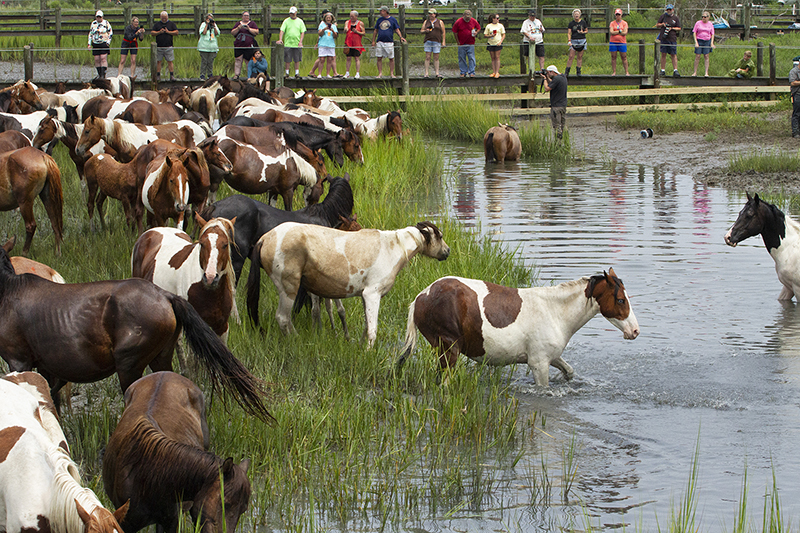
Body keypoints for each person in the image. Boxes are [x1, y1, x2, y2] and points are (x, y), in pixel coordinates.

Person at [371, 6, 406, 78]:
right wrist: (373, 41)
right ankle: (380, 73)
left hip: (389, 41)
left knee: (391, 58)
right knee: (379, 57)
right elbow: (375, 30)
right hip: (380, 41)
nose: (380, 12)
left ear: (385, 11)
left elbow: (397, 29)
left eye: (381, 11)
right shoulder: (379, 20)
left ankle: (392, 73)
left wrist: (401, 37)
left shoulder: (393, 20)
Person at [278, 6, 306, 79]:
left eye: (293, 13)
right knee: (287, 59)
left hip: (296, 44)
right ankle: (287, 73)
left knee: (297, 59)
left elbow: (302, 32)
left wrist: (300, 42)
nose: (292, 14)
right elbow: (282, 30)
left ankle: (297, 73)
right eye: (291, 13)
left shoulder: (300, 21)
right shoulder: (286, 21)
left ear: (296, 13)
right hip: (288, 43)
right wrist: (280, 39)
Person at [452, 9, 480, 77]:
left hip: (471, 42)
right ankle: (463, 72)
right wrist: (457, 41)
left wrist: (476, 32)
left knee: (471, 57)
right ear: (463, 16)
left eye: (469, 17)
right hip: (461, 42)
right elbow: (455, 31)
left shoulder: (473, 21)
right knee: (461, 57)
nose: (467, 19)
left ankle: (472, 72)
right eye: (466, 17)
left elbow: (478, 27)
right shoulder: (458, 22)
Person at [151, 11, 178, 81]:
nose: (164, 19)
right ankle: (158, 75)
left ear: (167, 17)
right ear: (160, 17)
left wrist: (168, 32)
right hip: (159, 46)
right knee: (158, 61)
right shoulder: (157, 24)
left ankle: (172, 75)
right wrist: (159, 32)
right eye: (162, 18)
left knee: (170, 61)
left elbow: (176, 32)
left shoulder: (171, 24)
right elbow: (152, 33)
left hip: (169, 46)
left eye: (165, 18)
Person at [232, 12, 259, 80]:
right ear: (242, 16)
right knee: (238, 60)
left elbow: (257, 32)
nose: (246, 17)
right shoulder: (238, 23)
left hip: (249, 46)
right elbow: (232, 32)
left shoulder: (252, 23)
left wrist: (249, 29)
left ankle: (249, 75)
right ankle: (237, 74)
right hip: (239, 45)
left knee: (248, 61)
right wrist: (238, 28)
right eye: (245, 15)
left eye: (247, 16)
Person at [542, 64, 567, 139]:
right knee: (562, 125)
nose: (548, 74)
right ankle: (563, 142)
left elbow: (547, 88)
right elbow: (553, 84)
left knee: (556, 126)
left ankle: (557, 143)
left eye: (548, 73)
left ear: (552, 72)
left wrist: (544, 79)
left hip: (556, 106)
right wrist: (547, 77)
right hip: (563, 105)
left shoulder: (556, 79)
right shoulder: (563, 77)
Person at [657, 4, 681, 77]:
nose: (669, 11)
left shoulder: (675, 18)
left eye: (670, 9)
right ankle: (662, 70)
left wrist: (672, 28)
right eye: (667, 10)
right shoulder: (663, 16)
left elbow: (679, 28)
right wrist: (662, 25)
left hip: (672, 38)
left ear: (673, 10)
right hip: (664, 38)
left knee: (673, 54)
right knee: (663, 54)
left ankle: (675, 70)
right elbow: (657, 24)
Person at [88, 10, 113, 79]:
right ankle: (99, 74)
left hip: (104, 43)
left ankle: (103, 74)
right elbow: (90, 34)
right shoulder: (93, 23)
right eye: (97, 17)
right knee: (97, 59)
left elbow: (110, 32)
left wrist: (108, 42)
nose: (98, 18)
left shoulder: (106, 23)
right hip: (95, 43)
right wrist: (89, 44)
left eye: (100, 17)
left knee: (103, 58)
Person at [421, 9, 445, 78]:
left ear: (435, 14)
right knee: (427, 57)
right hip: (428, 41)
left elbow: (443, 32)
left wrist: (443, 42)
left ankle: (437, 72)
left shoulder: (440, 22)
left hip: (437, 41)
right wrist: (426, 31)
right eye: (429, 14)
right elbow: (421, 30)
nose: (430, 15)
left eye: (432, 14)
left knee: (436, 57)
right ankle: (426, 73)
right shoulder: (426, 22)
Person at [520, 10, 545, 74]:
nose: (532, 17)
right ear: (529, 15)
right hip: (529, 42)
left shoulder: (538, 21)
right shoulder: (526, 22)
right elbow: (523, 31)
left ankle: (542, 69)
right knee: (530, 56)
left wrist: (541, 30)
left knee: (541, 56)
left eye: (533, 16)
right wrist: (529, 36)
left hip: (539, 41)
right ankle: (531, 69)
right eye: (531, 16)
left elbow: (543, 29)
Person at [317, 11, 340, 78]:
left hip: (331, 44)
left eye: (329, 17)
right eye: (327, 17)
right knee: (322, 59)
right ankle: (319, 74)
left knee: (330, 59)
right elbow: (319, 34)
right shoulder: (321, 25)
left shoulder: (333, 26)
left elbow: (335, 36)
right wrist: (324, 29)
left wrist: (332, 30)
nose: (328, 19)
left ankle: (328, 74)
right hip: (323, 44)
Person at [565, 9, 588, 77]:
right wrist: (569, 41)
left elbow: (586, 30)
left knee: (580, 56)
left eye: (577, 14)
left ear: (580, 15)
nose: (576, 15)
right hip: (574, 40)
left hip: (582, 40)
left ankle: (578, 71)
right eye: (575, 14)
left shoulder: (583, 22)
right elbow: (569, 33)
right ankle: (567, 71)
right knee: (571, 56)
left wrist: (582, 32)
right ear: (573, 15)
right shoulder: (571, 23)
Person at [197, 13, 220, 81]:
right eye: (208, 18)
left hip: (212, 47)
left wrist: (214, 25)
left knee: (210, 62)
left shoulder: (214, 25)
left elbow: (217, 33)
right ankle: (202, 75)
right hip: (204, 47)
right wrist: (207, 24)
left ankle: (210, 75)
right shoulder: (203, 24)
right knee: (204, 61)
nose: (210, 20)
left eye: (211, 18)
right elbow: (203, 33)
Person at [343, 10, 366, 78]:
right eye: (350, 16)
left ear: (356, 16)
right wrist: (346, 29)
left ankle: (357, 73)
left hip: (356, 43)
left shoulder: (360, 23)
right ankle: (347, 72)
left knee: (357, 58)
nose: (351, 18)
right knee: (348, 58)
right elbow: (345, 29)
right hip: (348, 42)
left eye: (352, 16)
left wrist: (357, 31)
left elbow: (364, 33)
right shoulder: (347, 22)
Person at [692, 11, 715, 77]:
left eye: (705, 17)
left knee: (706, 56)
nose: (703, 18)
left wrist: (712, 43)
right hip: (699, 40)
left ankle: (706, 72)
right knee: (698, 56)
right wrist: (696, 42)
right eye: (702, 17)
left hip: (707, 41)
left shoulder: (710, 24)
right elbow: (694, 32)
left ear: (708, 17)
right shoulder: (698, 23)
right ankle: (695, 72)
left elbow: (712, 34)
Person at [484, 13, 505, 78]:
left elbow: (503, 34)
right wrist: (491, 35)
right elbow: (485, 35)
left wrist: (501, 42)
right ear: (493, 19)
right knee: (493, 58)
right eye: (497, 18)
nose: (498, 19)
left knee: (497, 57)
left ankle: (497, 72)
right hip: (491, 43)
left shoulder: (500, 25)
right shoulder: (488, 26)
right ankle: (494, 71)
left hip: (498, 43)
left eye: (498, 18)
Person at [609, 9, 629, 75]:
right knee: (613, 57)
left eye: (619, 15)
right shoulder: (612, 23)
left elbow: (625, 32)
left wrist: (617, 32)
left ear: (621, 15)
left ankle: (626, 71)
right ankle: (614, 72)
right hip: (613, 42)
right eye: (616, 15)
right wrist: (619, 31)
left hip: (622, 42)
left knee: (624, 57)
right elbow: (611, 32)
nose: (618, 16)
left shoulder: (624, 23)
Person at [790, 56, 800, 137]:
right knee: (796, 113)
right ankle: (795, 132)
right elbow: (793, 82)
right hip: (797, 94)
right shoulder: (794, 71)